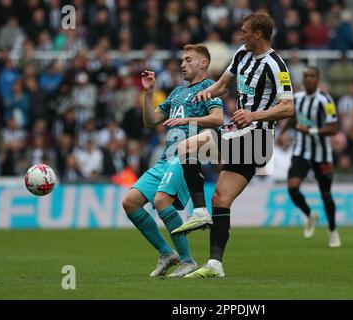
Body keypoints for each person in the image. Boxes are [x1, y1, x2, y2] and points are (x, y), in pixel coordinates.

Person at [171, 12, 295, 278]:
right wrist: (207, 92)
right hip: (240, 137)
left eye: (245, 31)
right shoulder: (241, 54)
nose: (241, 35)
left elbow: (288, 107)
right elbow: (223, 85)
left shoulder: (276, 65)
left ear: (258, 34)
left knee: (186, 147)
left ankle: (200, 211)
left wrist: (254, 115)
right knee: (222, 198)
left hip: (257, 138)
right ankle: (215, 264)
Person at [121, 44, 224, 277]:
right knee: (130, 202)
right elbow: (151, 121)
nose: (182, 64)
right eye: (182, 60)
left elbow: (218, 118)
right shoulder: (176, 92)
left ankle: (188, 261)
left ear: (203, 63)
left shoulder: (209, 87)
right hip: (164, 159)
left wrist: (186, 120)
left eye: (188, 59)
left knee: (161, 201)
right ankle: (167, 253)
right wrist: (148, 92)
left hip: (186, 157)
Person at [278, 67, 341, 247]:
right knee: (292, 188)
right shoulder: (297, 98)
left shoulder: (326, 100)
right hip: (301, 152)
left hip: (322, 156)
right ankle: (309, 215)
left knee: (326, 195)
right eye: (306, 76)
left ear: (318, 78)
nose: (308, 79)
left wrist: (311, 130)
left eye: (312, 76)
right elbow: (293, 117)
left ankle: (332, 230)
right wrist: (282, 132)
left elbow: (334, 128)